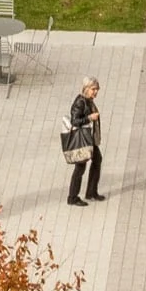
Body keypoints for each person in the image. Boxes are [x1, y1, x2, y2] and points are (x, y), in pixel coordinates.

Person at [63, 78, 105, 207]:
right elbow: (75, 121)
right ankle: (73, 197)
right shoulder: (80, 102)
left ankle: (91, 192)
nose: (95, 92)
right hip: (82, 140)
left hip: (89, 139)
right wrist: (89, 118)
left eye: (97, 89)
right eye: (93, 89)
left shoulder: (88, 101)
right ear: (86, 88)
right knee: (80, 167)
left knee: (97, 160)